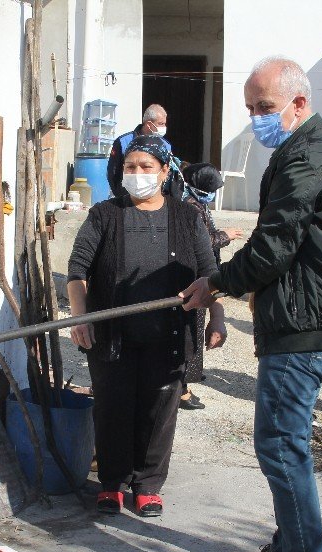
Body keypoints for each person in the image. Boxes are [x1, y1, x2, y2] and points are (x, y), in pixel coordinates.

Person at [179, 56, 322, 552]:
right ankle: (293, 546)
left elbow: (273, 245)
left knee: (279, 445)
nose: (256, 118)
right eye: (250, 108)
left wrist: (218, 283)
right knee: (285, 443)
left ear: (299, 102)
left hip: (306, 324)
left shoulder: (308, 157)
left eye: (264, 106)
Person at [68, 135, 226, 517]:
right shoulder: (105, 215)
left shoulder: (188, 218)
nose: (137, 174)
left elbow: (210, 273)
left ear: (164, 171)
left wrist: (217, 315)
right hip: (113, 334)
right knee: (112, 406)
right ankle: (111, 483)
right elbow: (77, 269)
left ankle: (148, 485)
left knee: (159, 409)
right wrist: (80, 316)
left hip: (168, 333)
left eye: (145, 167)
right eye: (130, 168)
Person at [178, 163, 244, 410]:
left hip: (202, 275)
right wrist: (225, 235)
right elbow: (202, 243)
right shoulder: (189, 208)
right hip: (193, 277)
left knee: (196, 327)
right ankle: (182, 386)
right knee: (190, 331)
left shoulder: (198, 204)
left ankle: (189, 376)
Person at [107, 104, 172, 199]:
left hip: (154, 199)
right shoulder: (123, 141)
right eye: (161, 124)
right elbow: (113, 172)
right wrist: (121, 196)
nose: (164, 127)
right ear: (149, 125)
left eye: (164, 124)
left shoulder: (166, 145)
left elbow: (167, 173)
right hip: (126, 197)